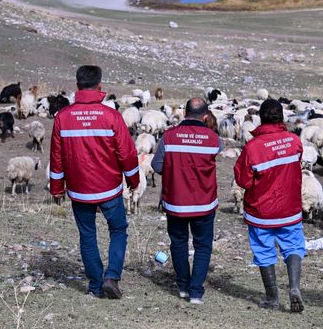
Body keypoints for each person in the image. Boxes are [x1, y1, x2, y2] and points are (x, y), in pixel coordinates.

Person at [50, 65, 140, 299]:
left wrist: (57, 188)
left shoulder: (63, 117)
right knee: (118, 229)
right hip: (109, 188)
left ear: (77, 86)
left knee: (87, 235)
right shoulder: (111, 116)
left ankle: (94, 283)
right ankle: (111, 277)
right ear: (100, 86)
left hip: (79, 191)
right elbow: (127, 153)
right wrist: (133, 179)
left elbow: (56, 158)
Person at [234, 99, 306, 313]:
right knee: (293, 246)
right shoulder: (294, 141)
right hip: (289, 209)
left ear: (261, 118)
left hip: (261, 211)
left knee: (264, 251)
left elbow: (243, 181)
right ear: (281, 117)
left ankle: (272, 297)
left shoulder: (253, 147)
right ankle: (293, 288)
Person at [152, 97, 220, 305]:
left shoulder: (169, 136)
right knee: (202, 246)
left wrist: (174, 169)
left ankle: (182, 285)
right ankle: (196, 292)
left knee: (179, 243)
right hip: (204, 202)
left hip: (176, 202)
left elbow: (156, 166)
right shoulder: (213, 139)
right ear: (206, 116)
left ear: (184, 113)